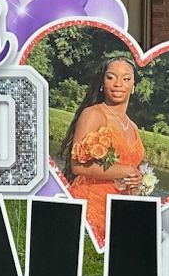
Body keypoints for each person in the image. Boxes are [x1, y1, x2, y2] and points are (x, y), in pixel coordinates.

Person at [59, 57, 145, 245]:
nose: (118, 84)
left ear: (133, 85)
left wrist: (138, 179)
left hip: (118, 211)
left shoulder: (133, 127)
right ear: (102, 82)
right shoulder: (93, 115)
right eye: (111, 77)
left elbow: (132, 169)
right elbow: (78, 167)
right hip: (90, 207)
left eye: (126, 79)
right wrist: (126, 171)